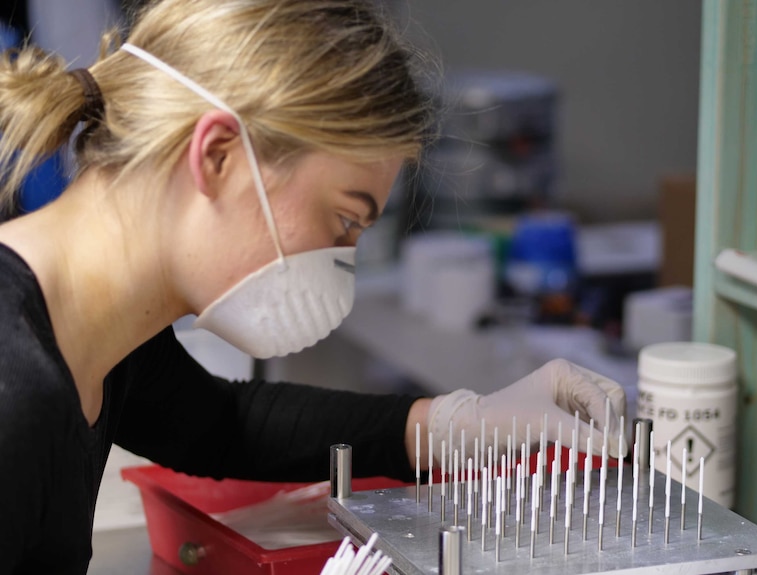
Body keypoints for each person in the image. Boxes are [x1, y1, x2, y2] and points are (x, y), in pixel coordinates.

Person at [0, 0, 626, 573]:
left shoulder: (95, 331)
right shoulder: (15, 385)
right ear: (217, 155)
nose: (341, 264)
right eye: (344, 221)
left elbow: (219, 424)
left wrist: (455, 424)